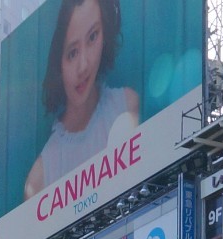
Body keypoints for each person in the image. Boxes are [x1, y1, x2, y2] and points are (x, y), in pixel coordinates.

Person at [21, 0, 141, 199]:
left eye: (93, 36)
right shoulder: (39, 178)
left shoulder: (127, 105)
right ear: (57, 63)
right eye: (72, 53)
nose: (83, 65)